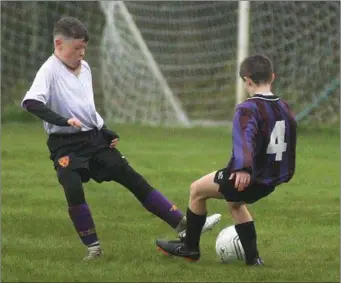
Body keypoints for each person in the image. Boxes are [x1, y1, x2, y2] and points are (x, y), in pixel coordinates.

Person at [21, 17, 221, 261]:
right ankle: (93, 249)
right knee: (73, 189)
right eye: (77, 48)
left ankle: (184, 227)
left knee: (132, 178)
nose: (82, 53)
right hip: (65, 145)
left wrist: (105, 129)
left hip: (93, 139)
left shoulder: (85, 68)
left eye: (84, 48)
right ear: (59, 44)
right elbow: (31, 102)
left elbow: (87, 106)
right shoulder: (49, 70)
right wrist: (63, 121)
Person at [156, 54, 297, 266]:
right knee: (235, 203)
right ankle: (253, 259)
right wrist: (282, 173)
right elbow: (290, 138)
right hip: (269, 180)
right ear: (273, 77)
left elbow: (245, 138)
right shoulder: (284, 107)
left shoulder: (248, 108)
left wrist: (242, 168)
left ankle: (190, 248)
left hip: (247, 176)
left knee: (196, 190)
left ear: (247, 80)